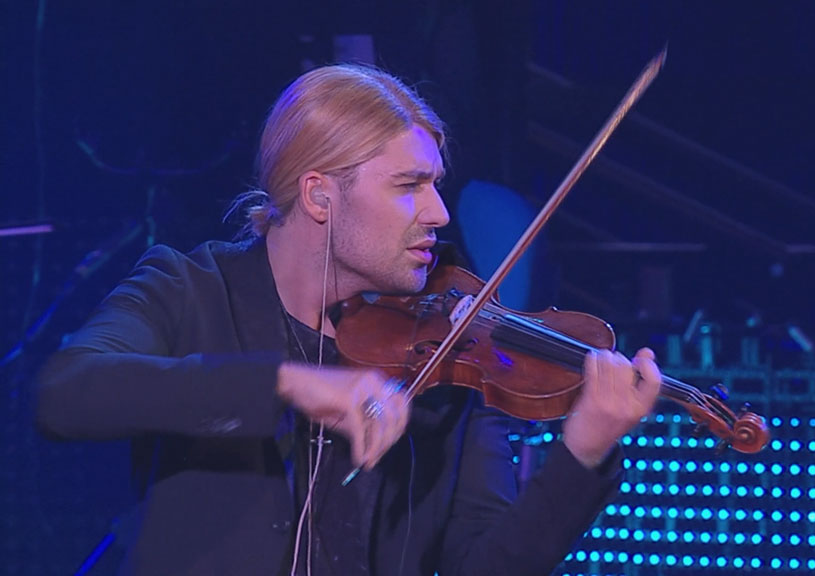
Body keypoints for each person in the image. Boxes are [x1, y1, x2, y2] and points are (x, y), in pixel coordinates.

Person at [36, 64, 662, 576]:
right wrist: (285, 384)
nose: (440, 213)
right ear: (319, 196)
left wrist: (583, 450)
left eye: (435, 184)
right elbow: (65, 393)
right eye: (409, 186)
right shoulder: (189, 289)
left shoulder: (450, 352)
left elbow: (484, 567)